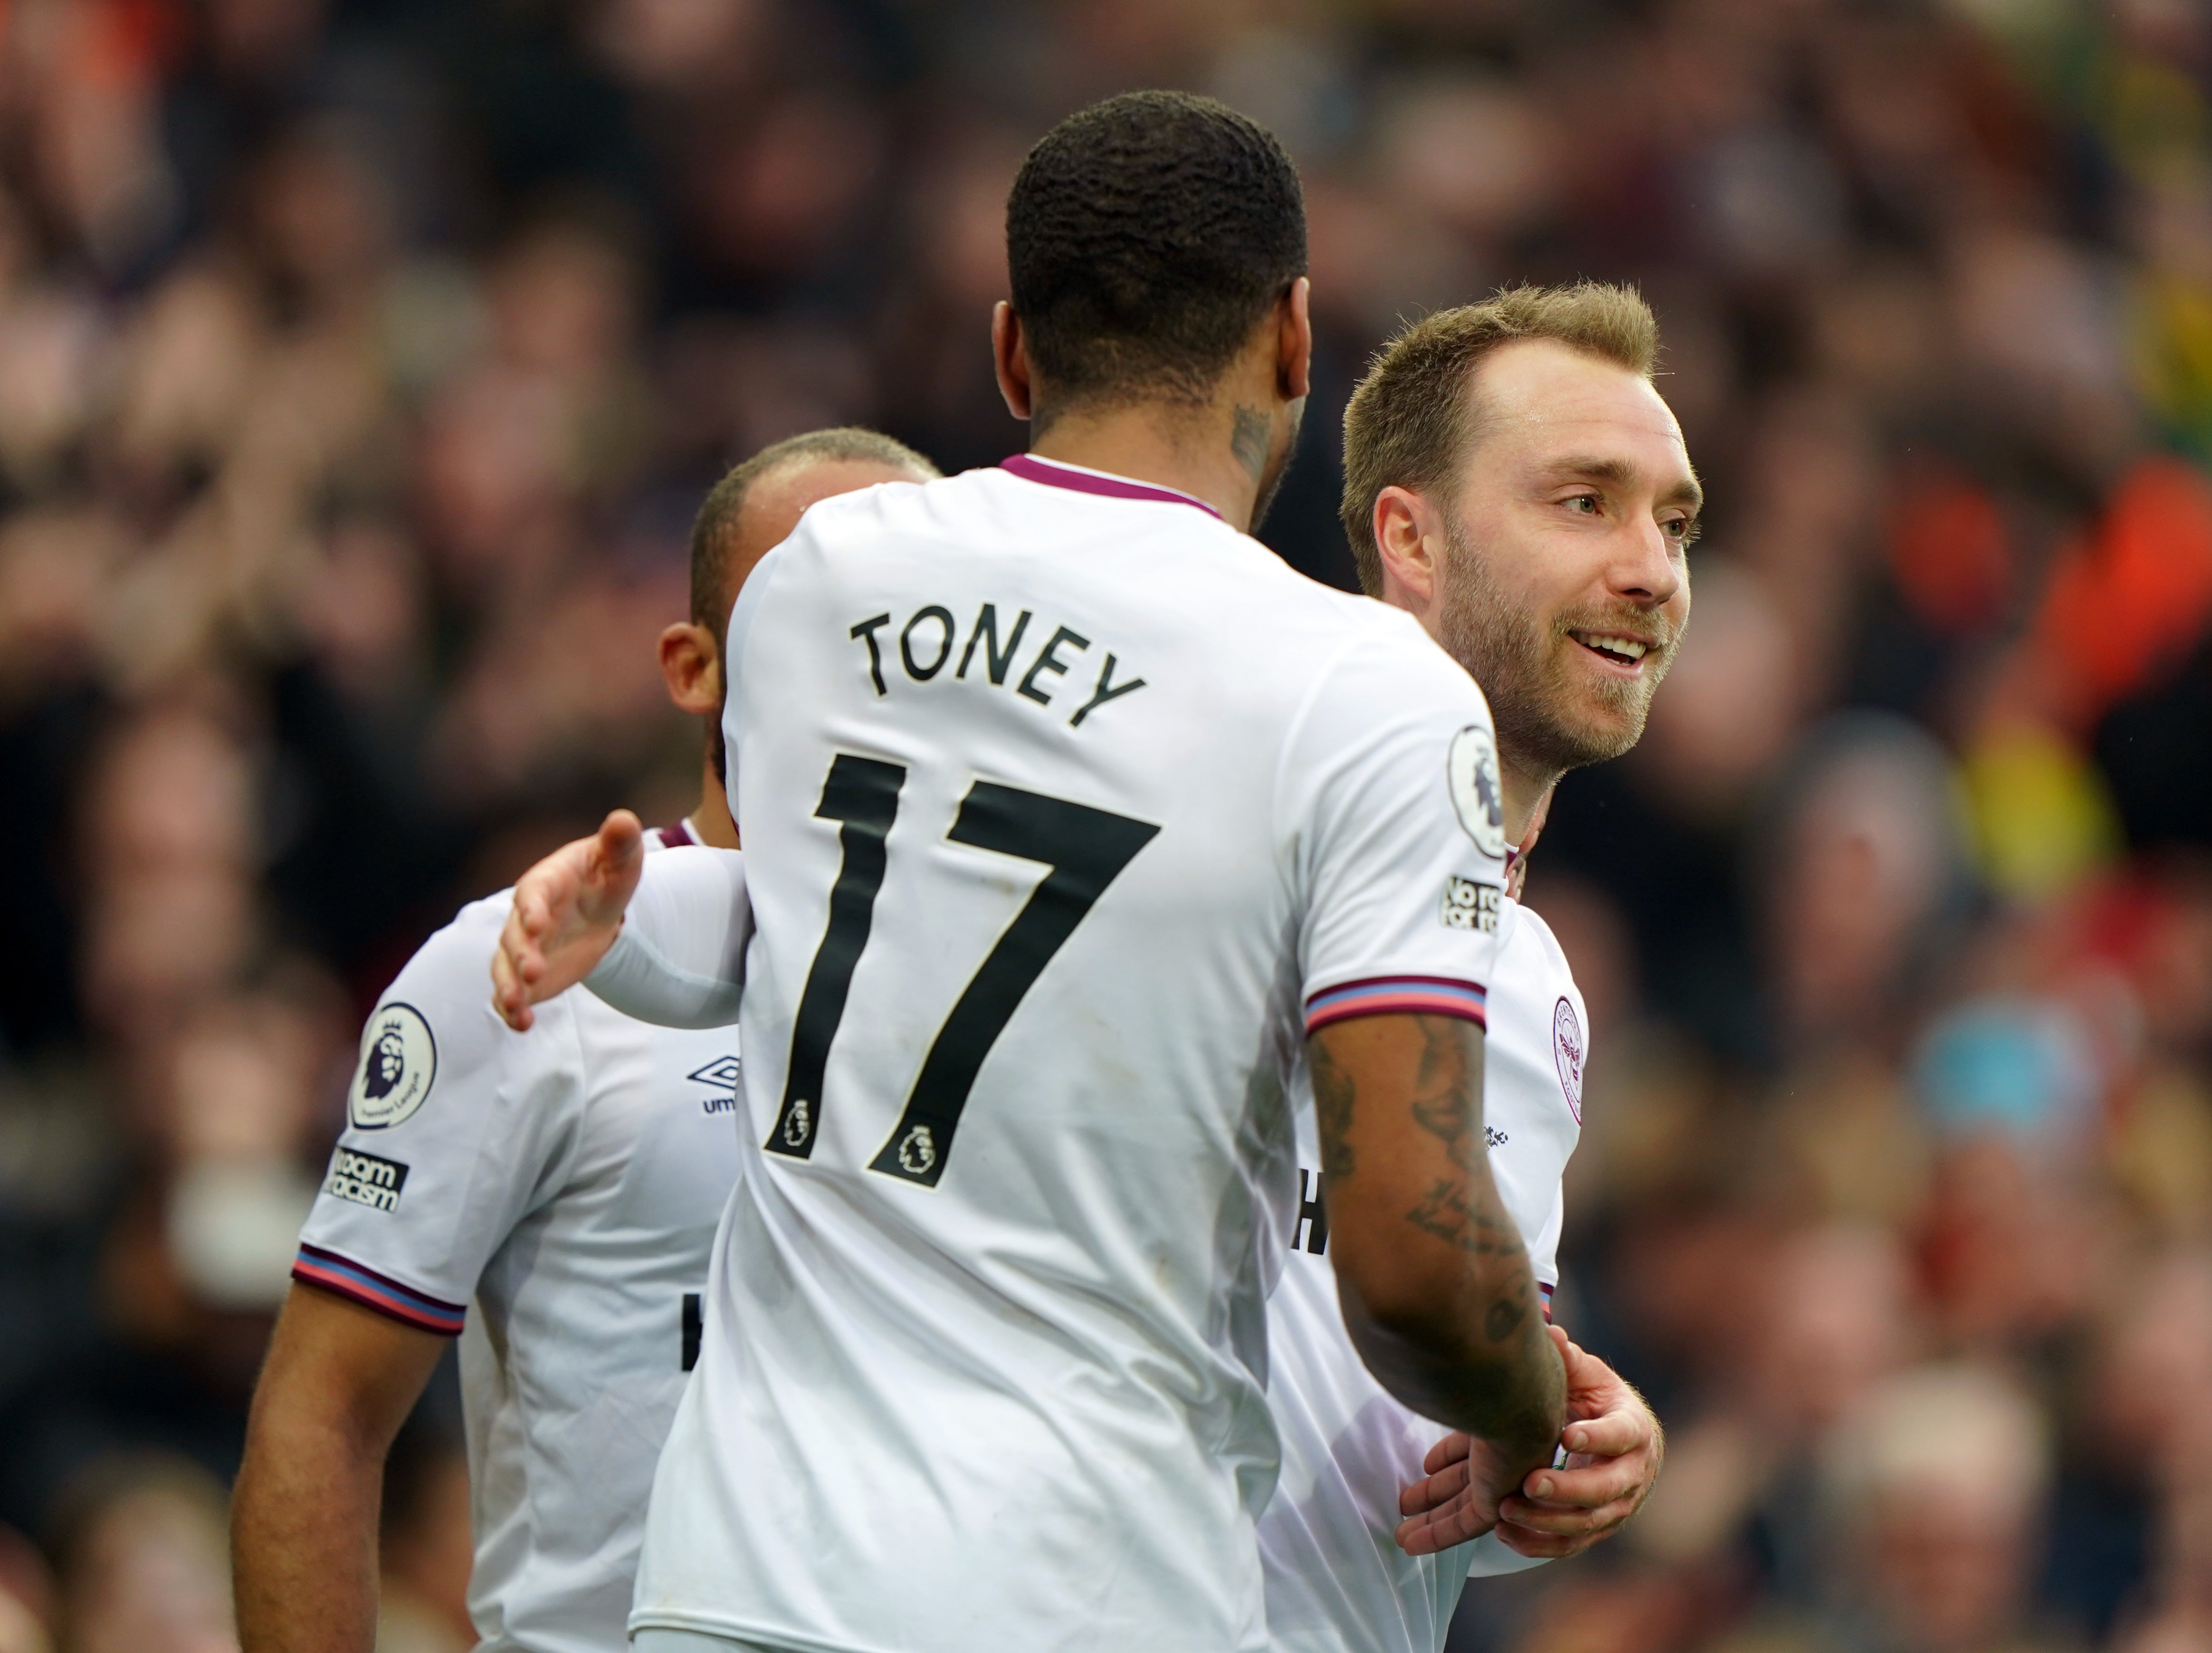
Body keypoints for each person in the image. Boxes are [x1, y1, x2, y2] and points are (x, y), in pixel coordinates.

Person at [492, 91, 1565, 1653]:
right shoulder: (1366, 692)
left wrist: (633, 926)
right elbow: (1407, 1264)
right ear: (1294, 339)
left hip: (736, 1580)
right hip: (1087, 1588)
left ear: (1012, 351)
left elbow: (812, 923)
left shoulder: (810, 590)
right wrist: (1531, 1404)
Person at [229, 429, 941, 1653]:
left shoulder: (1017, 989)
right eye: (816, 611)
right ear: (692, 667)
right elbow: (321, 1424)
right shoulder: (510, 969)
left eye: (910, 623)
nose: (870, 660)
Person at [1259, 285, 1688, 1652]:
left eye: (1675, 522)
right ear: (1411, 536)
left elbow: (1421, 1460)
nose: (1653, 570)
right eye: (1583, 503)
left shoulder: (1539, 976)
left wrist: (1566, 1453)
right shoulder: (1233, 826)